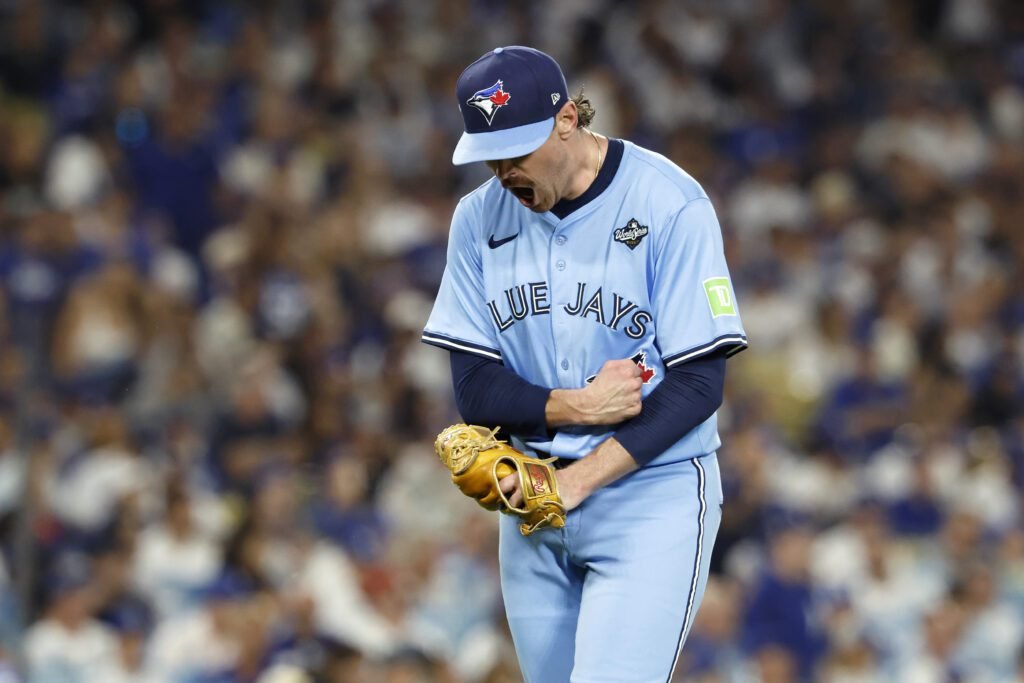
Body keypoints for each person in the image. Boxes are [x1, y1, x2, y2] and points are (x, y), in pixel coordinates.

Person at [421, 46, 747, 682]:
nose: (504, 171)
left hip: (650, 493)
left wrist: (579, 481)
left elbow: (700, 383)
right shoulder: (477, 219)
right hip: (533, 502)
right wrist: (577, 407)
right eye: (491, 156)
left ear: (567, 120)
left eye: (518, 151)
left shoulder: (669, 203)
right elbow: (475, 388)